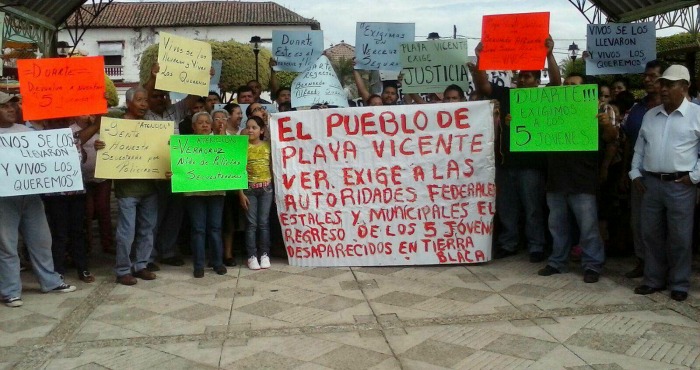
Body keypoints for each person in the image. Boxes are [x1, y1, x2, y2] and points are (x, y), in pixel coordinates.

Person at [470, 36, 561, 263]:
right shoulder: (506, 94)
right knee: (506, 207)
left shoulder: (542, 97)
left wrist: (549, 55)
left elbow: (558, 83)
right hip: (505, 162)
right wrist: (480, 57)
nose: (522, 79)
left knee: (532, 208)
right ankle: (509, 243)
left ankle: (536, 245)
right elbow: (483, 86)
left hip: (531, 165)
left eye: (527, 76)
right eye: (520, 75)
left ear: (537, 80)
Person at [630, 64, 700, 302]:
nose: (664, 89)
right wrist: (634, 172)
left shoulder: (697, 114)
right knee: (650, 234)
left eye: (670, 84)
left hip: (681, 185)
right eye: (663, 84)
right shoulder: (651, 115)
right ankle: (653, 279)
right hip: (650, 183)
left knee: (680, 237)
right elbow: (640, 147)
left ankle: (679, 283)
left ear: (684, 87)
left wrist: (694, 176)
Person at [0, 92, 77, 307]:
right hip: (4, 200)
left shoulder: (25, 131)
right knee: (7, 245)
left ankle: (50, 281)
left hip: (30, 196)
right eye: (5, 106)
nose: (11, 109)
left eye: (13, 105)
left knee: (42, 239)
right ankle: (11, 291)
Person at [537, 73, 609, 283]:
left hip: (582, 178)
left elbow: (612, 138)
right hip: (556, 178)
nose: (568, 88)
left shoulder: (596, 111)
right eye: (566, 84)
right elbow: (533, 131)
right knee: (557, 225)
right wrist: (516, 122)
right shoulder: (551, 111)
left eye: (574, 85)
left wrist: (605, 125)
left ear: (584, 90)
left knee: (588, 226)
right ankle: (557, 261)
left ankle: (592, 264)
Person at [95, 87, 158, 285]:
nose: (144, 104)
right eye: (139, 100)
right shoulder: (116, 127)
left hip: (150, 188)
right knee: (126, 231)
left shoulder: (152, 127)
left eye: (146, 100)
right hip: (127, 191)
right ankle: (123, 270)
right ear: (128, 103)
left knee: (147, 229)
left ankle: (141, 265)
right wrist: (101, 146)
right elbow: (106, 149)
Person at [169, 112, 228, 278]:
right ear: (193, 126)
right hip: (194, 192)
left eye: (207, 122)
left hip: (216, 191)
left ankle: (218, 263)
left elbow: (231, 162)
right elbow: (179, 166)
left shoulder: (220, 143)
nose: (204, 125)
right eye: (200, 123)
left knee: (216, 228)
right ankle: (199, 265)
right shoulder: (185, 145)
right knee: (198, 229)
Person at [619, 60, 663, 278]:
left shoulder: (676, 108)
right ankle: (642, 260)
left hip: (666, 175)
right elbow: (629, 141)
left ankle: (664, 264)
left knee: (662, 224)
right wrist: (627, 172)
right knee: (638, 221)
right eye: (646, 76)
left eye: (653, 76)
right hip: (638, 173)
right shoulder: (637, 109)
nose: (647, 79)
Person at [240, 116, 273, 270]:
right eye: (248, 127)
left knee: (264, 223)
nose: (250, 130)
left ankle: (265, 254)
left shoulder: (268, 146)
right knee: (251, 224)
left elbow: (273, 166)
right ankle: (252, 256)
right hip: (249, 190)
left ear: (262, 130)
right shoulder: (242, 147)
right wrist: (240, 193)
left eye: (254, 127)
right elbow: (237, 171)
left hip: (266, 188)